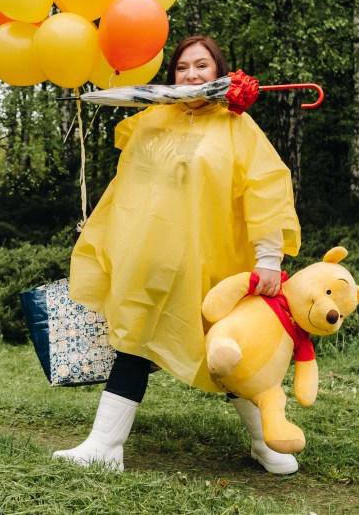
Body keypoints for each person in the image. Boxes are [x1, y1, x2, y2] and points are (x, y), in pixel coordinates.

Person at [52, 35, 302, 474]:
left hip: (214, 264)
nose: (191, 75)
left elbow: (265, 192)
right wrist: (104, 222)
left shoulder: (237, 128)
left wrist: (268, 259)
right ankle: (104, 446)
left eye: (202, 66)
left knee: (231, 355)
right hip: (152, 260)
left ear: (219, 72)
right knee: (134, 342)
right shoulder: (154, 121)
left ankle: (266, 443)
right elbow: (131, 184)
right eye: (183, 68)